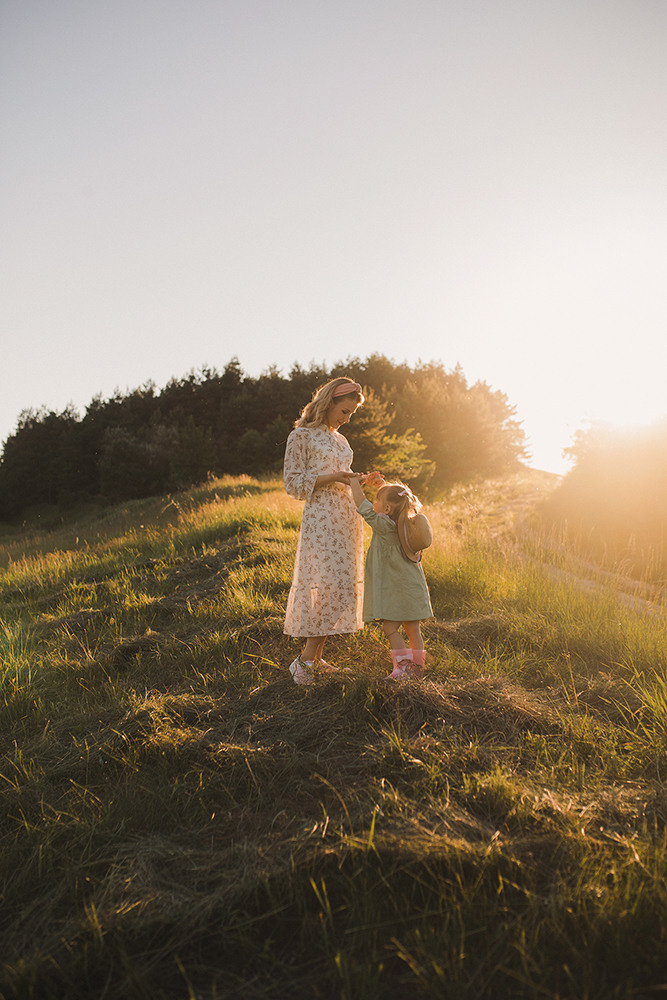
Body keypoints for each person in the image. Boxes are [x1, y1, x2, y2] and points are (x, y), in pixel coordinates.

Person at [283, 377, 366, 684]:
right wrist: (333, 476)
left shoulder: (342, 441)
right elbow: (293, 483)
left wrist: (358, 480)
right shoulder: (301, 436)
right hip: (321, 517)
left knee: (342, 589)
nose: (346, 419)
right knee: (325, 584)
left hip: (346, 516)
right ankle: (304, 662)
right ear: (329, 402)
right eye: (344, 411)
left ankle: (316, 659)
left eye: (351, 415)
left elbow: (341, 476)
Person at [349, 474, 433, 680]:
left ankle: (403, 668)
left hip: (395, 588)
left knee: (390, 627)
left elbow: (363, 506)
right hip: (412, 587)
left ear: (386, 509)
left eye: (378, 500)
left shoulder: (383, 526)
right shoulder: (405, 525)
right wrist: (383, 487)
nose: (375, 503)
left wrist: (353, 483)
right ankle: (417, 668)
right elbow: (392, 501)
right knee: (413, 629)